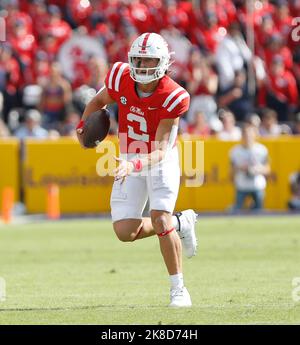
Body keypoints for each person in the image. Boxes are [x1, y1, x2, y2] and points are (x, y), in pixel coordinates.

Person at [77, 33, 198, 308]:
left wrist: (133, 164)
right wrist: (81, 128)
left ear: (164, 62)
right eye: (139, 60)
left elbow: (161, 149)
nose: (143, 67)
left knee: (160, 219)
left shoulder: (174, 95)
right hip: (130, 154)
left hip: (159, 157)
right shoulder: (120, 76)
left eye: (150, 60)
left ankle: (178, 289)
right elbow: (98, 103)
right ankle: (182, 222)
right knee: (124, 231)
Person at [230, 124, 270, 211]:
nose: (248, 137)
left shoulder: (261, 150)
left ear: (254, 135)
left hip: (257, 186)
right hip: (242, 185)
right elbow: (231, 170)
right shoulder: (235, 151)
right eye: (246, 134)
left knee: (258, 212)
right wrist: (240, 168)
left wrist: (257, 169)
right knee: (237, 211)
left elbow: (268, 169)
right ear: (242, 135)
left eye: (250, 134)